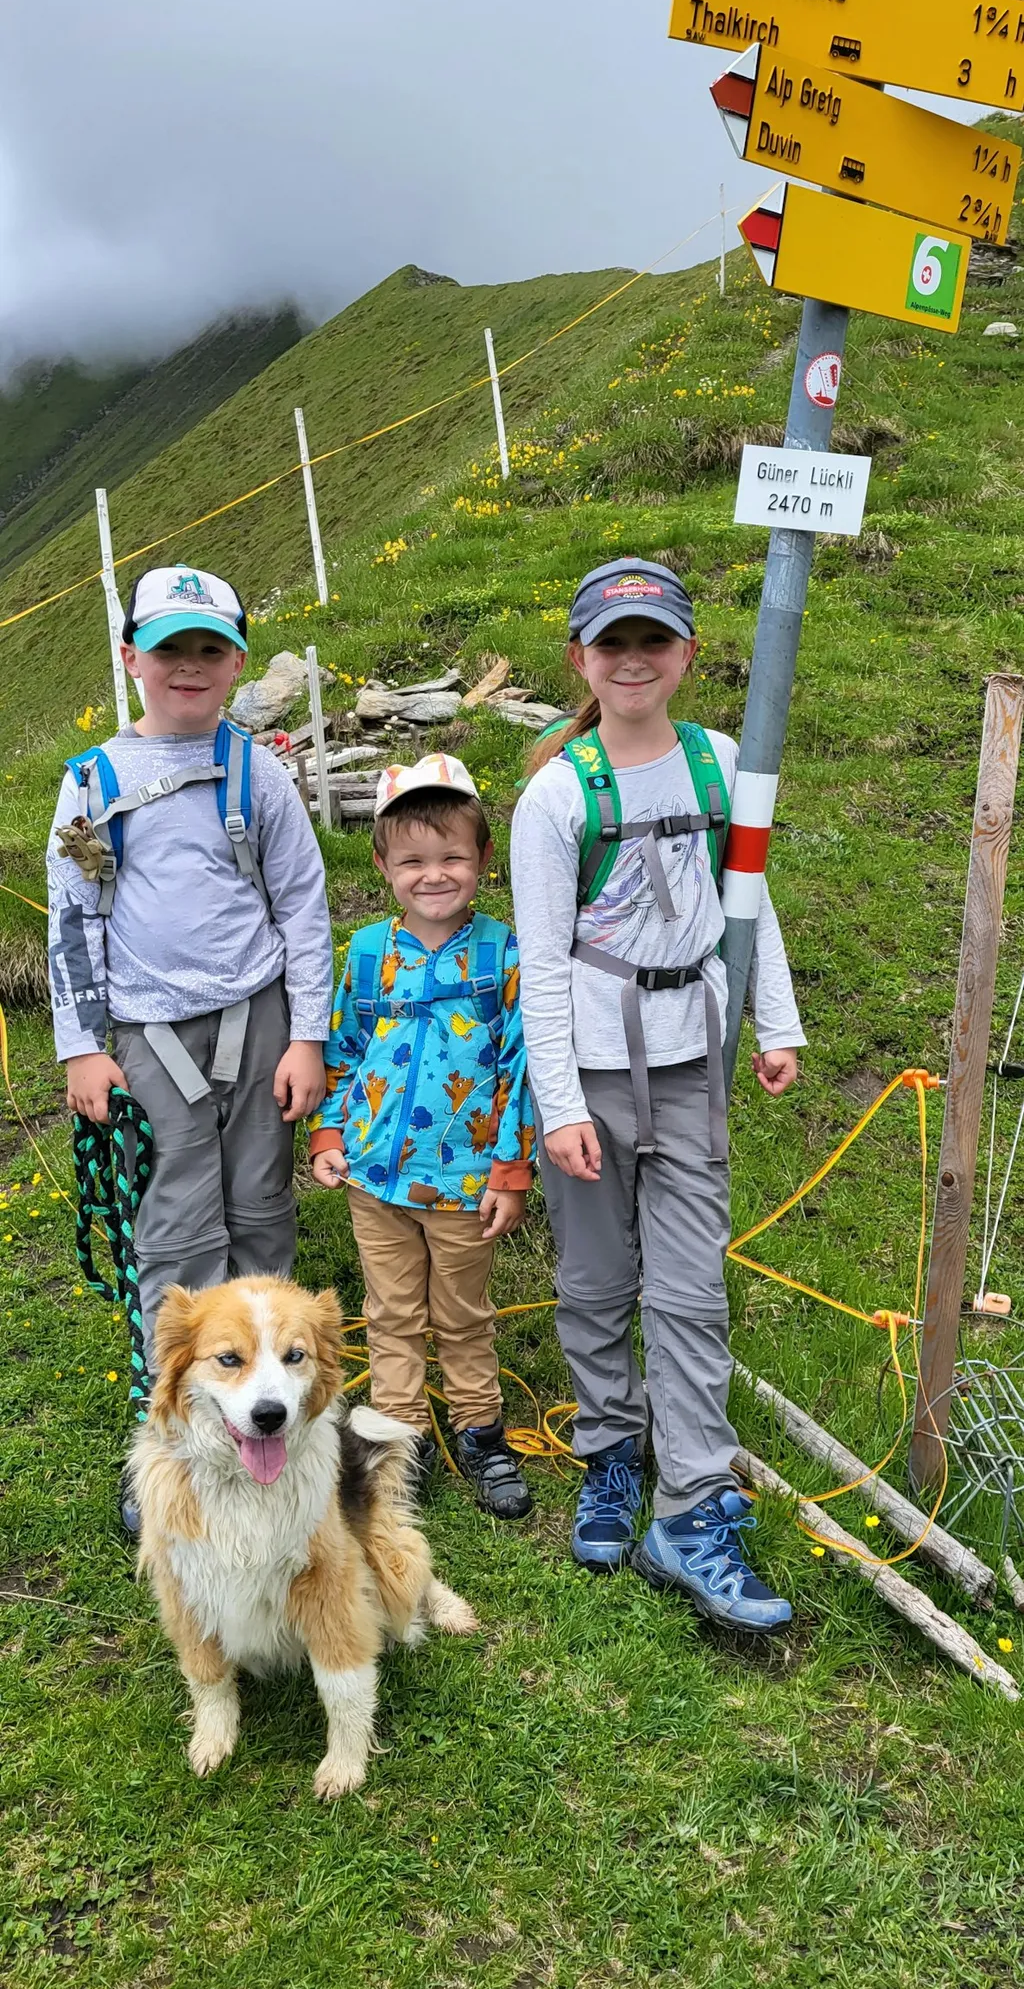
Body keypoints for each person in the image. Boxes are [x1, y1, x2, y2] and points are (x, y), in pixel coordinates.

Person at [510, 558, 806, 1633]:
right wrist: (559, 1104)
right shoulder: (555, 793)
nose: (632, 660)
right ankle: (608, 1450)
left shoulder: (723, 761)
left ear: (685, 651)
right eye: (611, 642)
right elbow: (542, 963)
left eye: (653, 640)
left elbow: (749, 901)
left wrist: (775, 1020)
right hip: (588, 1068)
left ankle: (688, 1503)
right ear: (580, 659)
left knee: (688, 1288)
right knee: (595, 1277)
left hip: (695, 1061)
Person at [46, 564, 332, 1529]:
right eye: (170, 650)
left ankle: (275, 1404)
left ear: (238, 661)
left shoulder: (259, 771)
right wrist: (83, 1047)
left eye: (211, 650)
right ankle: (173, 1426)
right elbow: (73, 922)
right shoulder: (91, 782)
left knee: (261, 1203)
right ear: (132, 658)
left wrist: (308, 1036)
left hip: (256, 1023)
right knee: (173, 1223)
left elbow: (301, 904)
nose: (190, 667)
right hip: (145, 1034)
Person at [308, 754, 536, 1519]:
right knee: (391, 1313)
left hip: (465, 1183)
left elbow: (519, 1066)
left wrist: (510, 1168)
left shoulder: (503, 953)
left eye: (451, 858)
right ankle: (396, 1440)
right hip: (375, 1180)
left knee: (463, 1314)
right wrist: (328, 1130)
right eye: (411, 861)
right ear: (381, 864)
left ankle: (479, 1431)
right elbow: (343, 1049)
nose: (432, 876)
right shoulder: (368, 953)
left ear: (483, 860)